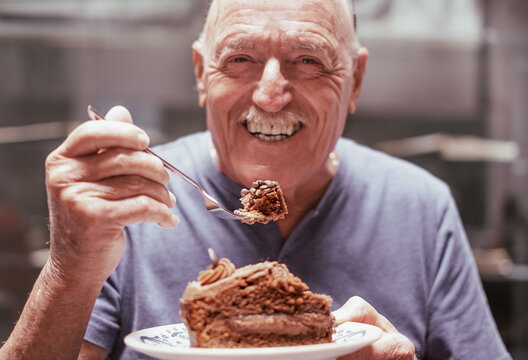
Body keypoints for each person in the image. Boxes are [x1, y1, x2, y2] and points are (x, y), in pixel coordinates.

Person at [0, 0, 511, 359]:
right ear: (202, 73)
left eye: (307, 60)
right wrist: (70, 267)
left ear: (354, 81)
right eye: (240, 59)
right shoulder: (129, 204)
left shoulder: (418, 207)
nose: (270, 95)